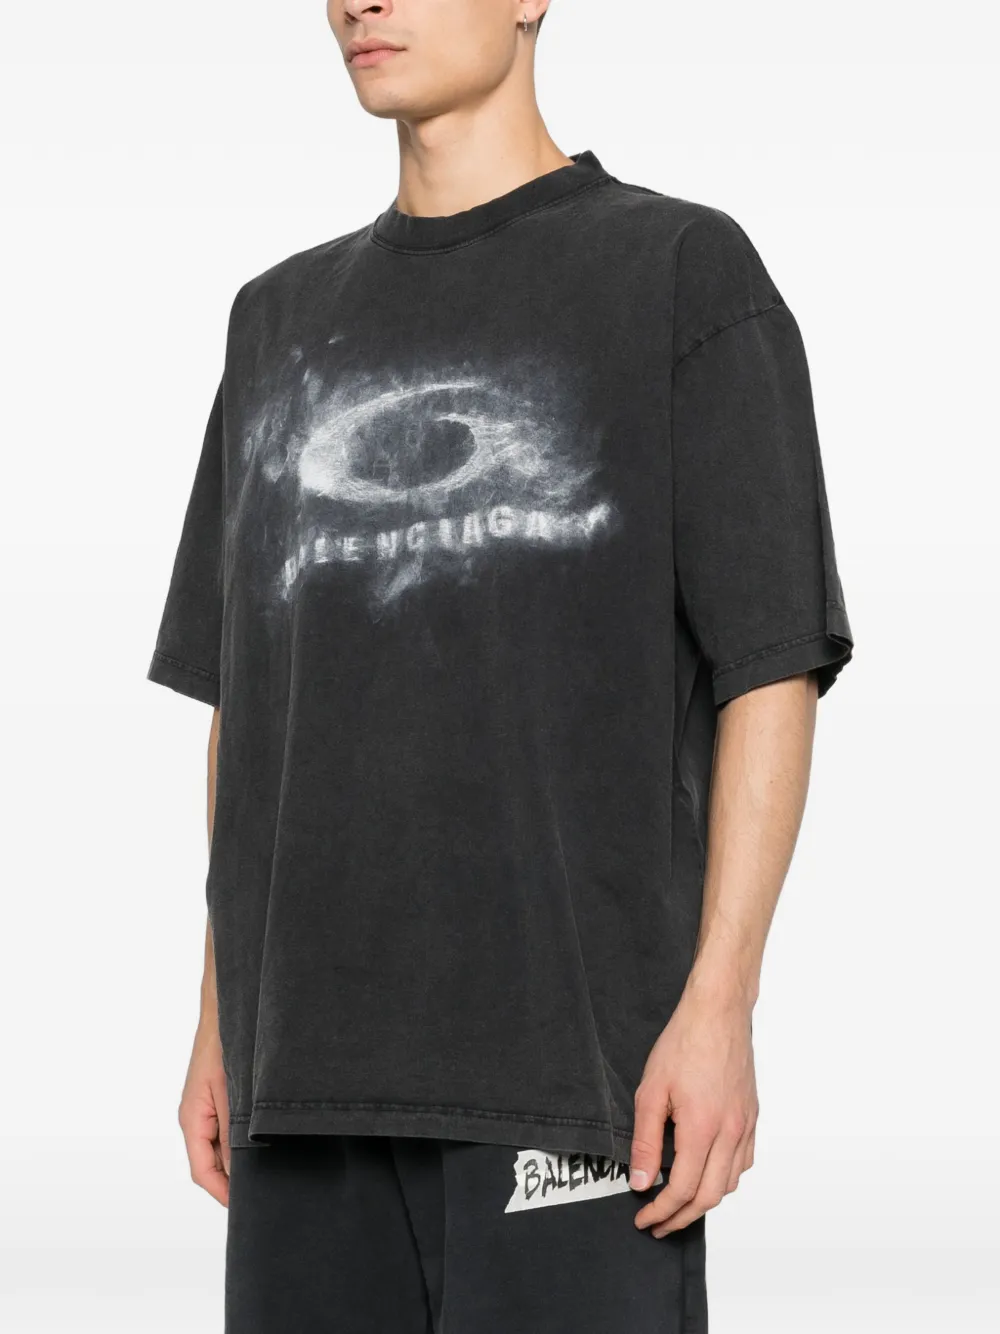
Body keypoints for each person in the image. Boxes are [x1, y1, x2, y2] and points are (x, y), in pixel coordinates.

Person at [147, 2, 854, 1330]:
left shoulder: (679, 274)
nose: (360, 1)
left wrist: (723, 1003)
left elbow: (769, 668)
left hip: (576, 1084)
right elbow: (250, 703)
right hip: (306, 1089)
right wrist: (218, 1017)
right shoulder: (275, 321)